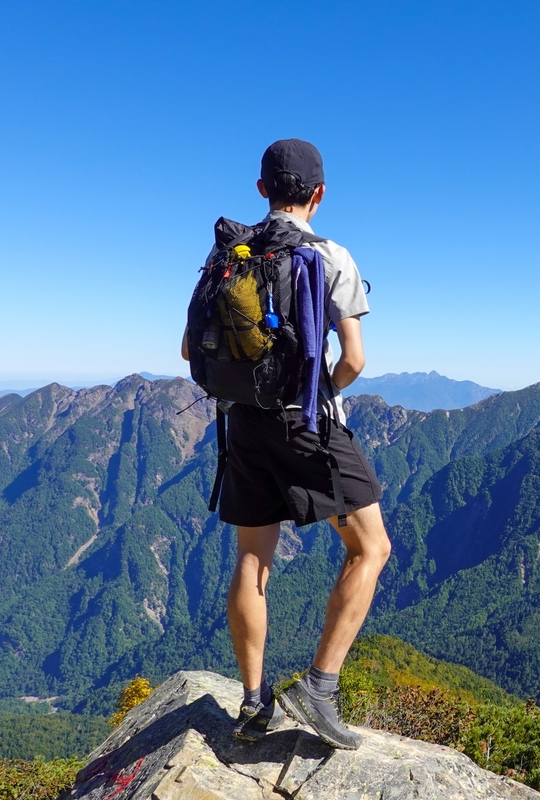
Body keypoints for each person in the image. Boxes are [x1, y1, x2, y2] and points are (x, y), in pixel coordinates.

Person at [181, 139, 391, 750]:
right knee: (370, 549)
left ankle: (252, 706)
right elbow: (353, 358)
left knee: (253, 558)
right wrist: (313, 387)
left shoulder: (229, 253)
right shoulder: (331, 256)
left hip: (242, 424)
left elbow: (191, 351)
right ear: (318, 193)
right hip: (309, 427)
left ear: (262, 189)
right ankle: (318, 690)